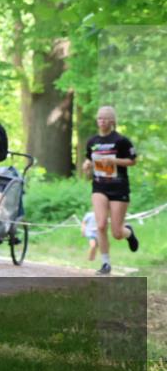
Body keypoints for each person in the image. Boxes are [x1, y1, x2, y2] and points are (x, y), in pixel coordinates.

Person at [82, 106, 139, 275]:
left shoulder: (121, 140)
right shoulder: (92, 141)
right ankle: (105, 263)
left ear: (112, 121)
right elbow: (89, 160)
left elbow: (132, 160)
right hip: (99, 186)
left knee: (117, 232)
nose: (102, 121)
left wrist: (113, 161)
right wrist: (87, 166)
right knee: (100, 225)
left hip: (119, 187)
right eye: (99, 118)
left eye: (105, 118)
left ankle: (128, 232)